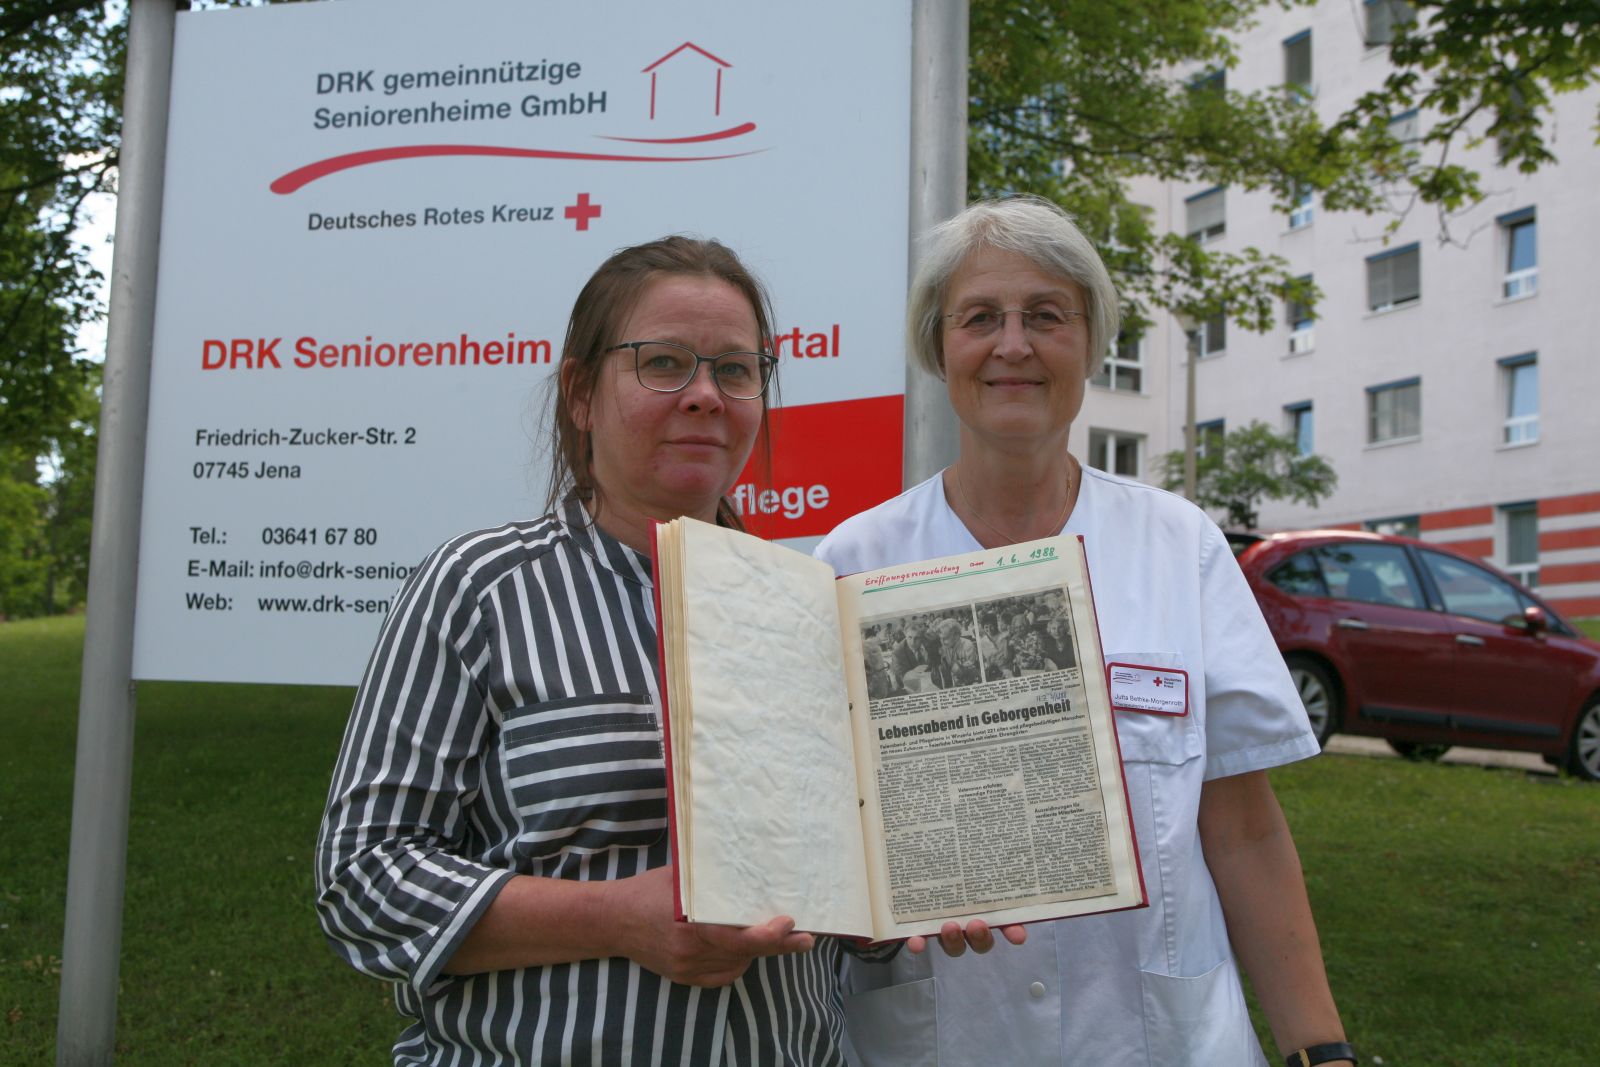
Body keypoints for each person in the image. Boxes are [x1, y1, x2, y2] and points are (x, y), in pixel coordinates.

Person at [816, 197, 1353, 1067]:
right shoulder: (854, 560)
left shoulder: (1181, 544)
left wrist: (1319, 1049)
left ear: (1093, 342)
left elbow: (1244, 829)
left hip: (1162, 1041)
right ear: (937, 347)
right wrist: (872, 923)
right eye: (980, 317)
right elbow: (824, 839)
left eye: (1047, 316)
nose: (1014, 345)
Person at [316, 235, 847, 1065]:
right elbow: (364, 879)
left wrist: (912, 901)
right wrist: (619, 918)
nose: (706, 395)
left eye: (737, 370)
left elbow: (838, 886)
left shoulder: (808, 603)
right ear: (579, 392)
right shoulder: (480, 589)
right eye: (665, 362)